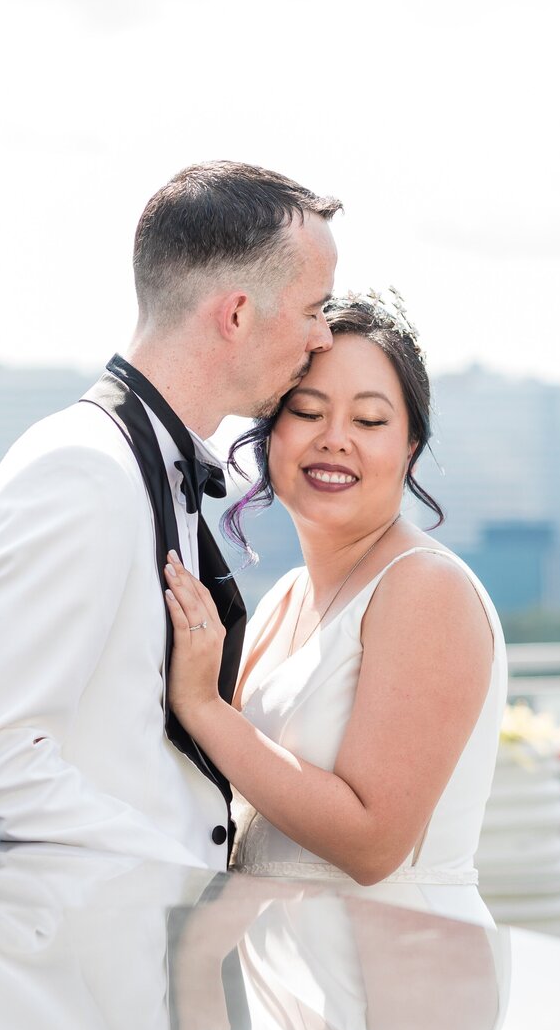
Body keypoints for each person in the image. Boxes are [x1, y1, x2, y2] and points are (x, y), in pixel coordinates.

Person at [0, 161, 340, 870]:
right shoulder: (82, 475)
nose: (324, 339)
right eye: (313, 310)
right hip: (83, 958)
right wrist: (187, 893)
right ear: (238, 313)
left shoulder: (123, 464)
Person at [162, 290, 507, 912]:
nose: (335, 439)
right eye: (306, 412)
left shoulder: (424, 587)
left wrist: (201, 707)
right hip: (294, 973)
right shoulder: (284, 599)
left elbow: (373, 845)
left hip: (400, 972)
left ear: (410, 446)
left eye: (370, 421)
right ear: (270, 431)